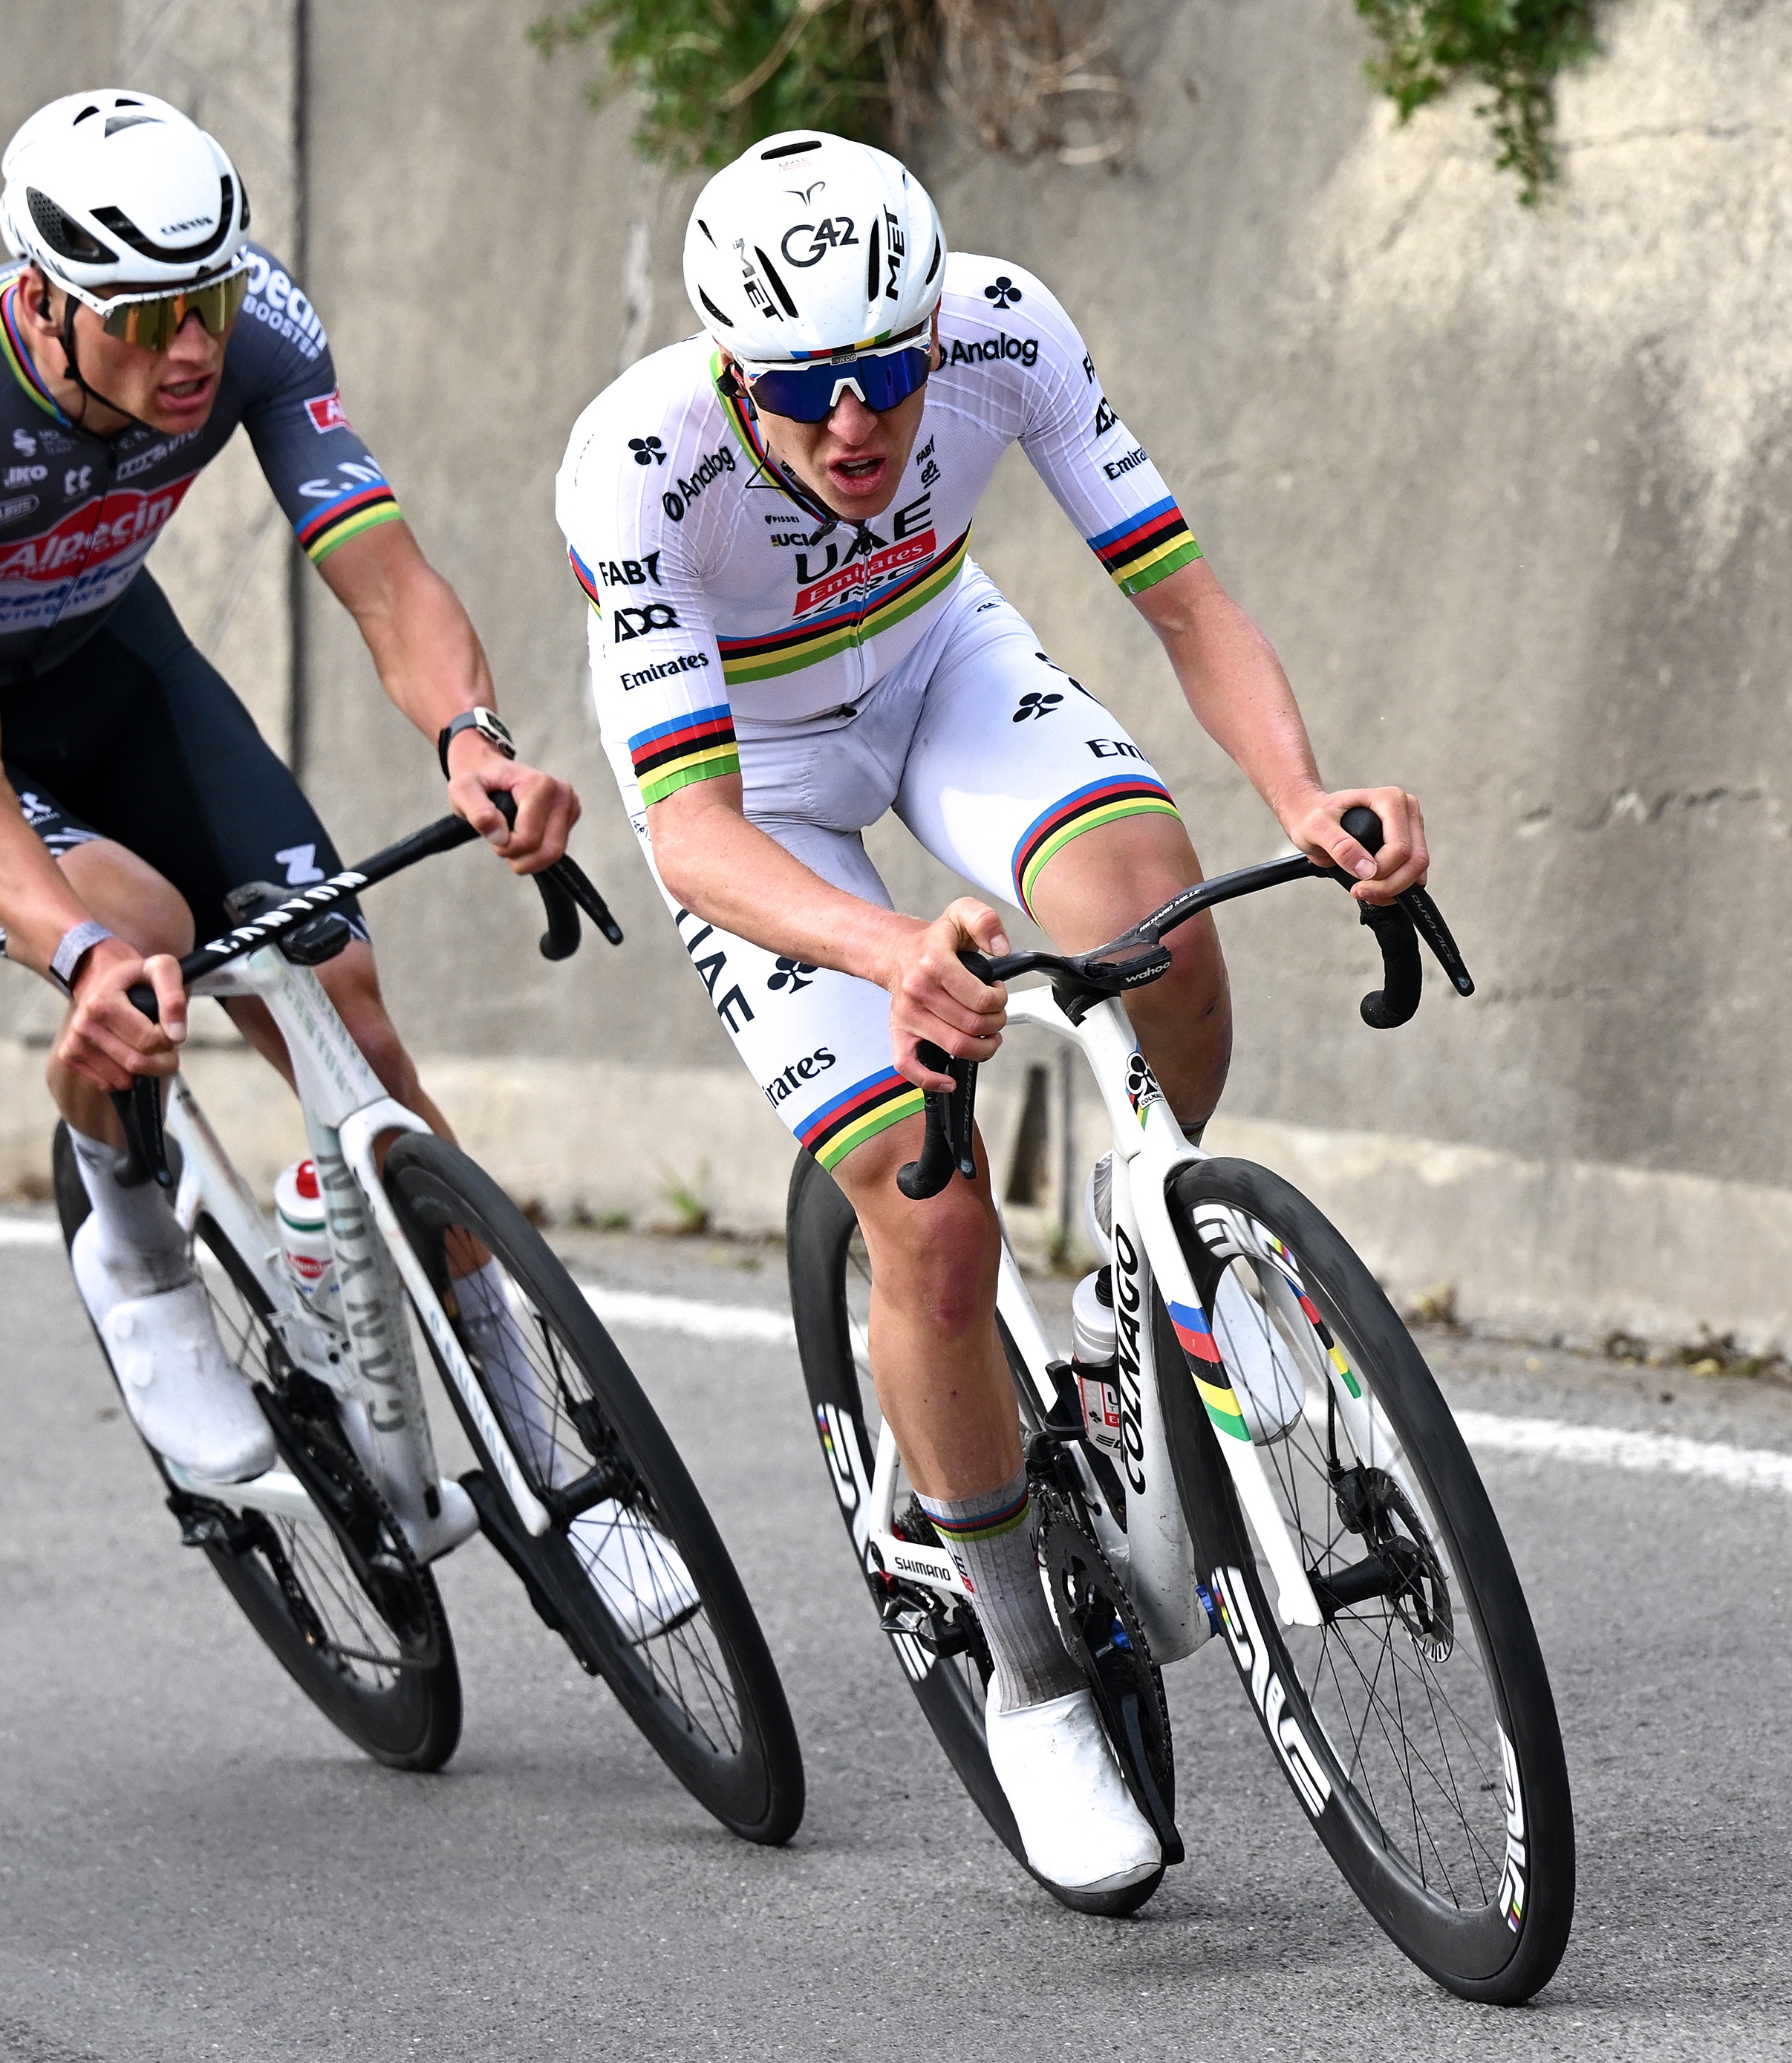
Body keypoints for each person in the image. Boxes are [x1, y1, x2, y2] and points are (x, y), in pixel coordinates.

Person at [552, 131, 1431, 1898]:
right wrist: (889, 956)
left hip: (943, 665)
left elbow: (1178, 594)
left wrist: (1307, 796)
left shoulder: (1005, 332)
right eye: (805, 391)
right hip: (753, 786)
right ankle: (1029, 1674)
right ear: (733, 365)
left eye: (886, 372)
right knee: (931, 1222)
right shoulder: (637, 464)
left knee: (1157, 932)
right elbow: (699, 835)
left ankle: (1139, 1310)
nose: (858, 424)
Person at [0, 92, 684, 1629]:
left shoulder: (252, 324)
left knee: (340, 980)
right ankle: (138, 1264)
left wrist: (471, 737)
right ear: (48, 302)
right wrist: (72, 957)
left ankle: (556, 1477)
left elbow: (386, 577)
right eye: (147, 319)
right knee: (132, 939)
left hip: (106, 661)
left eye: (205, 299)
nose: (190, 349)